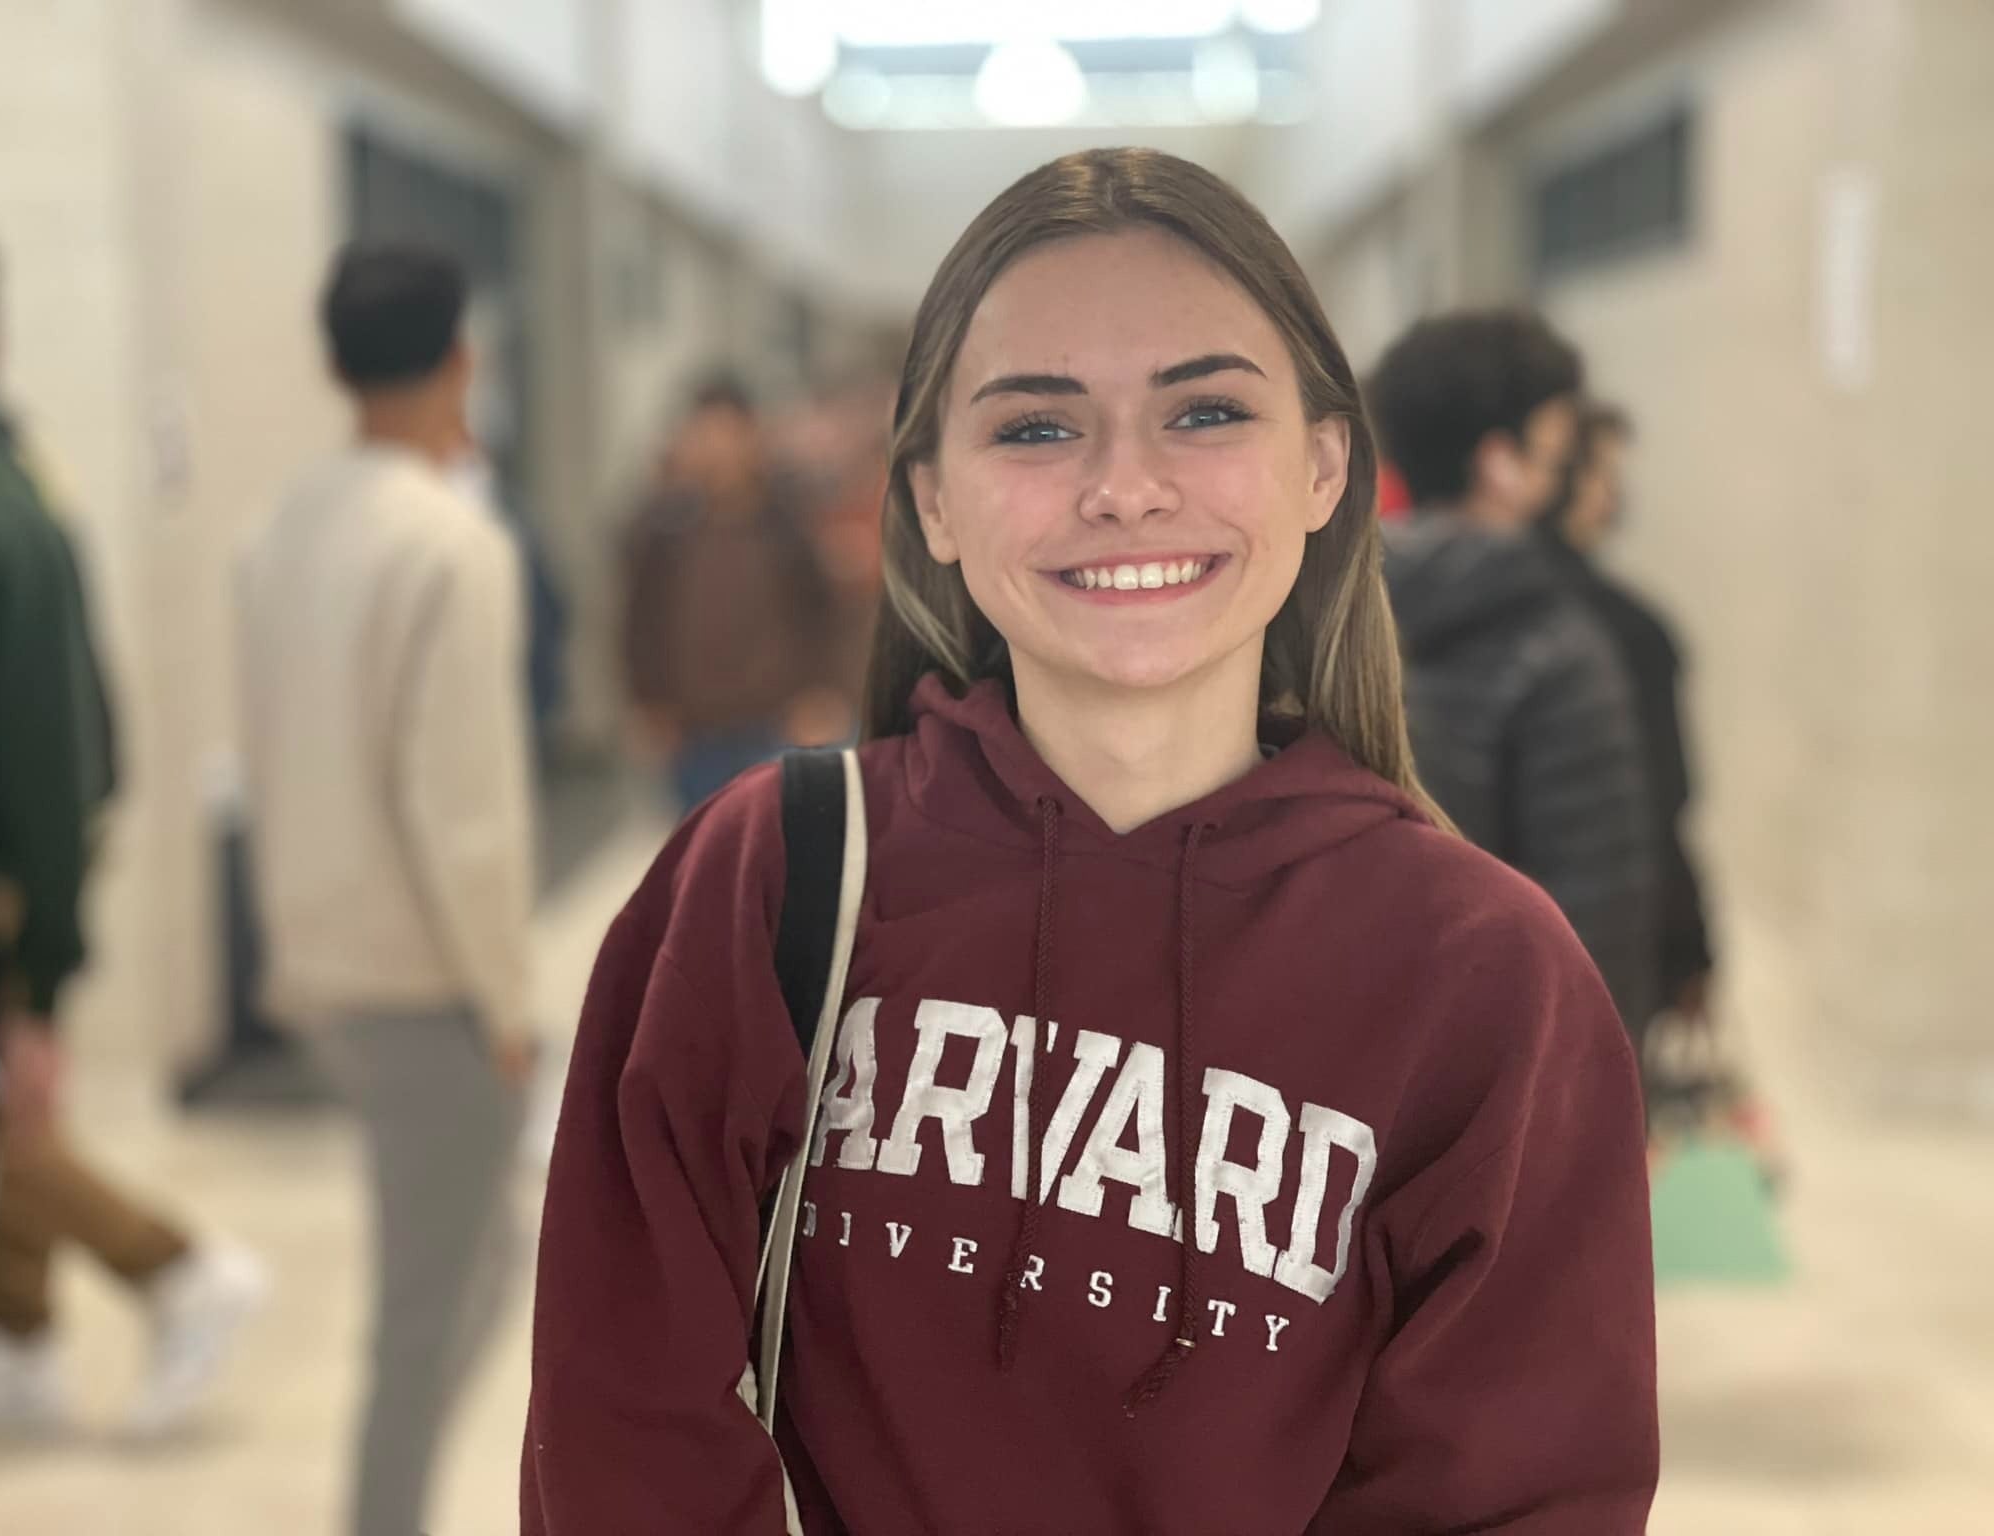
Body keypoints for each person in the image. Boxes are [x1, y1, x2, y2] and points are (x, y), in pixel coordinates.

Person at [523, 149, 1656, 1533]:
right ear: (932, 498)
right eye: (1037, 427)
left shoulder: (1483, 976)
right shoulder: (766, 880)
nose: (1124, 487)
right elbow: (621, 1432)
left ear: (1321, 467)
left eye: (1205, 411)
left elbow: (1514, 1494)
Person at [0, 206, 261, 1449]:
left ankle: (176, 1271)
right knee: (0, 1131)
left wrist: (44, 966)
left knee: (6, 1125)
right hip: (5, 877)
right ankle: (21, 1335)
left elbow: (50, 748)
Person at [238, 243, 536, 1536]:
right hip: (423, 977)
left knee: (476, 1265)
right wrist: (506, 1005)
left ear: (332, 362)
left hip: (322, 957)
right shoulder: (448, 544)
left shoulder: (276, 531)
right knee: (426, 1312)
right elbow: (463, 815)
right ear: (461, 359)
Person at [1373, 310, 1659, 1043]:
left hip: (1374, 1041)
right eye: (1555, 450)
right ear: (1501, 463)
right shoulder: (1558, 650)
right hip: (1514, 1052)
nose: (1563, 474)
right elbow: (1596, 915)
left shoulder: (1329, 624)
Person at [1544, 403, 1714, 1020]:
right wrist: (1692, 952)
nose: (1614, 496)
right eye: (1603, 474)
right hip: (1600, 967)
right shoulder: (1626, 633)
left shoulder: (1403, 608)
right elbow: (1664, 803)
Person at [619, 375, 850, 810]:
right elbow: (640, 622)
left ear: (752, 435)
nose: (720, 448)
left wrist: (821, 692)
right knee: (703, 841)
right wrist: (648, 704)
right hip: (694, 735)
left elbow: (821, 613)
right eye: (708, 433)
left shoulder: (788, 525)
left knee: (775, 840)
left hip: (776, 727)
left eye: (729, 433)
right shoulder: (663, 531)